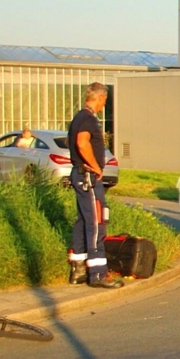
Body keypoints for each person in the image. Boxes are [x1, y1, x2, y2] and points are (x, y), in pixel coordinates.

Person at [67, 83, 122, 289]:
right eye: (104, 102)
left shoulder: (78, 117)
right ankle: (98, 274)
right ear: (99, 98)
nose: (103, 106)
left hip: (80, 175)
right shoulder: (88, 118)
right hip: (88, 176)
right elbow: (82, 143)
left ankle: (79, 269)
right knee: (97, 223)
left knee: (83, 220)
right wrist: (95, 167)